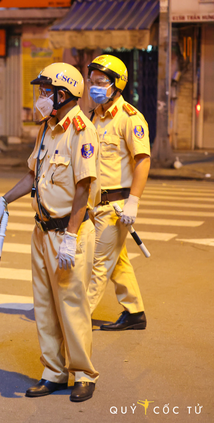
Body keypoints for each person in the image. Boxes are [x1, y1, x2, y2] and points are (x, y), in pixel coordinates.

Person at [0, 63, 100, 402]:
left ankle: (83, 373)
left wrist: (70, 235)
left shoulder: (80, 129)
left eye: (44, 91)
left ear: (62, 94)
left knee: (71, 305)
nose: (40, 98)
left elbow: (83, 187)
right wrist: (4, 199)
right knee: (44, 305)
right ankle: (54, 372)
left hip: (69, 233)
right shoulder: (47, 128)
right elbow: (32, 175)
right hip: (41, 232)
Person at [85, 55, 150, 330]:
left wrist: (133, 202)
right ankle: (135, 313)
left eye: (100, 82)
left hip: (116, 207)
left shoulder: (130, 118)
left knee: (96, 265)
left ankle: (75, 318)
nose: (93, 87)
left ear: (116, 85)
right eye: (92, 82)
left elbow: (143, 160)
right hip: (94, 204)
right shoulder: (93, 116)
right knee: (117, 259)